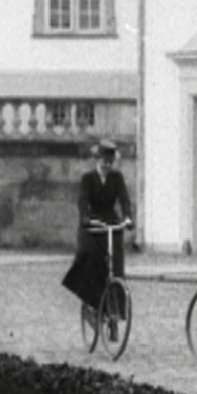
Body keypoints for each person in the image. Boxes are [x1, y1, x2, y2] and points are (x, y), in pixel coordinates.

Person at [62, 140, 134, 339]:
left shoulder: (117, 178)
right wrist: (85, 217)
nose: (107, 165)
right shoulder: (87, 179)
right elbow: (83, 200)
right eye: (104, 161)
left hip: (111, 223)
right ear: (97, 160)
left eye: (110, 162)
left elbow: (124, 199)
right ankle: (91, 305)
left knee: (116, 267)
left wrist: (128, 217)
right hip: (92, 225)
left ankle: (114, 314)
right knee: (90, 257)